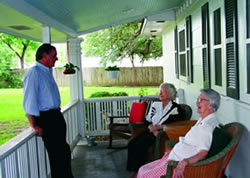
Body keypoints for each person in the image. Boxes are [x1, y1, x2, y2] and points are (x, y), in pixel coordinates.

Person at [136, 88, 221, 178]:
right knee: (142, 169)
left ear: (211, 105)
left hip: (176, 164)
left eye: (201, 100)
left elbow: (203, 153)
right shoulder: (204, 120)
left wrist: (185, 162)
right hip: (173, 158)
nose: (197, 102)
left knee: (144, 174)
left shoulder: (206, 127)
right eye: (197, 99)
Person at [23, 43, 74, 178]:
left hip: (55, 116)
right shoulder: (34, 73)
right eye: (54, 56)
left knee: (63, 151)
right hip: (47, 119)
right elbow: (30, 100)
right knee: (57, 155)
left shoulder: (47, 71)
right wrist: (34, 125)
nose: (56, 59)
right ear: (44, 56)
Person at [127, 83, 185, 178]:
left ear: (170, 94)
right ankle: (133, 170)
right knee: (132, 143)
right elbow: (147, 119)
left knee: (140, 145)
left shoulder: (175, 108)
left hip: (161, 134)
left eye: (164, 91)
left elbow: (175, 124)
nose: (160, 93)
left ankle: (136, 171)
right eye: (160, 91)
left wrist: (159, 128)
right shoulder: (155, 105)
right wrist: (149, 125)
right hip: (150, 130)